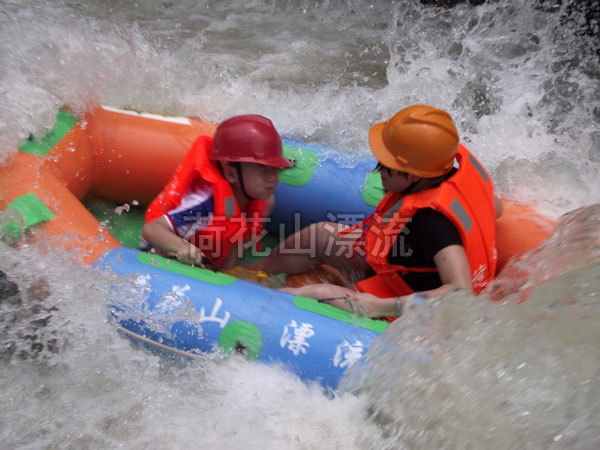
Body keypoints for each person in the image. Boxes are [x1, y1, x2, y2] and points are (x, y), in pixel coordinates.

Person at [253, 105, 501, 319]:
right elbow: (495, 209)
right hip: (402, 264)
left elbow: (460, 291)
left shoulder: (432, 224)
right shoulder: (453, 174)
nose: (378, 173)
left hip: (407, 301)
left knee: (321, 293)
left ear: (414, 175)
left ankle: (248, 299)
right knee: (320, 236)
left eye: (386, 167)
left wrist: (381, 306)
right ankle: (256, 272)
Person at [142, 114, 292, 270]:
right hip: (167, 254)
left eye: (275, 169)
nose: (272, 178)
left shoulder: (263, 200)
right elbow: (152, 229)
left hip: (209, 257)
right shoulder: (204, 205)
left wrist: (228, 273)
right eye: (263, 170)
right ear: (231, 174)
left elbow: (239, 237)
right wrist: (182, 247)